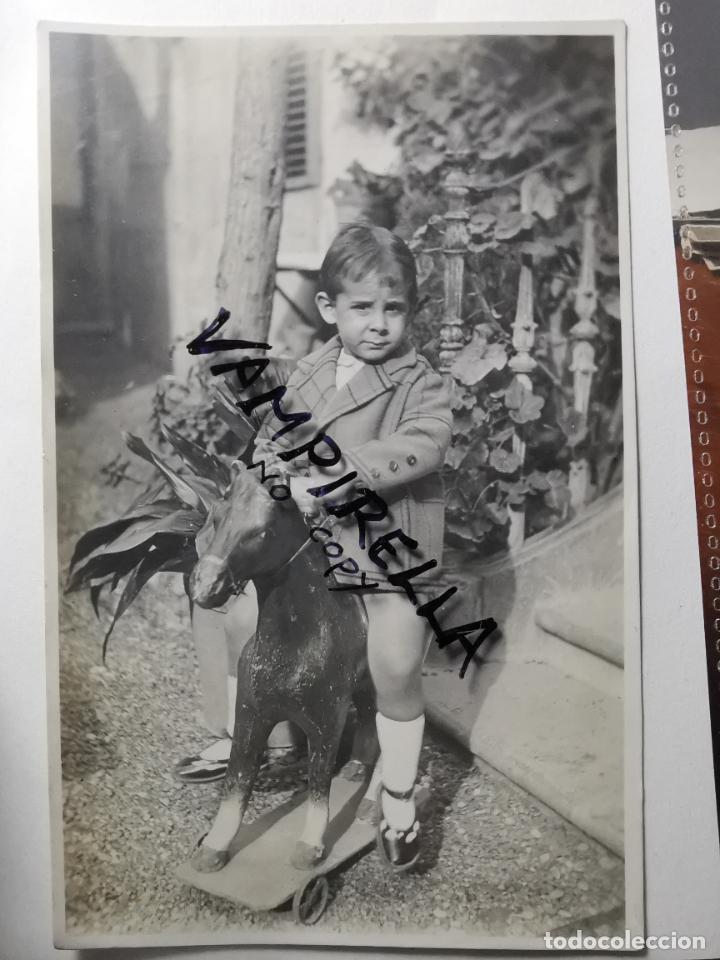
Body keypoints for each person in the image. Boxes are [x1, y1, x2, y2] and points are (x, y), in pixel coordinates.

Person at [251, 222, 453, 869]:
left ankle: (399, 797)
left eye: (394, 309)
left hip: (391, 544)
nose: (379, 324)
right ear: (329, 308)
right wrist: (274, 471)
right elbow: (272, 438)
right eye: (362, 308)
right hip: (319, 543)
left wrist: (339, 473)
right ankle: (271, 739)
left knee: (394, 660)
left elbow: (424, 443)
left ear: (411, 311)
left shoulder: (419, 381)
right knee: (254, 617)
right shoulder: (312, 371)